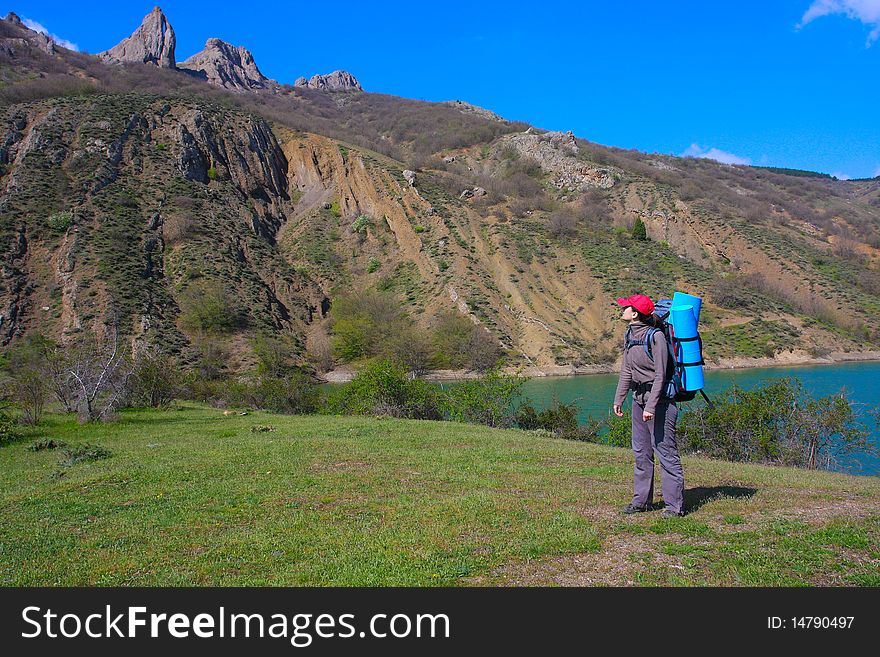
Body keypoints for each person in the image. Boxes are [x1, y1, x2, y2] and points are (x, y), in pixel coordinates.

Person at [612, 294, 685, 518]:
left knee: (665, 452)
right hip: (639, 399)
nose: (622, 309)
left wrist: (651, 406)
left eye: (626, 307)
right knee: (641, 452)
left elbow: (661, 375)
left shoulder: (656, 338)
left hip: (659, 402)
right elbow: (627, 370)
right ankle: (641, 502)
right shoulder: (630, 335)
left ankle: (674, 507)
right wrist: (619, 398)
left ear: (635, 314)